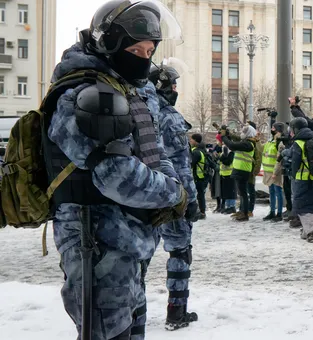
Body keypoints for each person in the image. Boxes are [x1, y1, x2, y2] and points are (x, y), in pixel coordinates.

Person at [46, 1, 188, 338]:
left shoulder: (128, 91)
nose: (144, 56)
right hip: (95, 245)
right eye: (135, 48)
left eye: (149, 49)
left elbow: (153, 149)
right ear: (108, 44)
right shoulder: (84, 95)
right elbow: (116, 176)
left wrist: (171, 183)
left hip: (130, 243)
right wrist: (174, 192)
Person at [147, 63, 200, 330]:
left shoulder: (138, 108)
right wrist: (190, 201)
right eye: (173, 85)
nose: (176, 90)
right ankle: (176, 312)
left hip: (140, 193)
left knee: (138, 256)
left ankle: (133, 315)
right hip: (170, 197)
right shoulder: (168, 116)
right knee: (180, 251)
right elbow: (180, 164)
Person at [290, 117, 313, 242]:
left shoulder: (298, 143)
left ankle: (311, 228)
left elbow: (295, 163)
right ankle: (306, 232)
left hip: (304, 178)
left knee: (301, 205)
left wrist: (293, 174)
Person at [221, 124, 257, 221]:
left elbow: (232, 145)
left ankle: (245, 213)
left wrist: (224, 137)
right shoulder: (245, 143)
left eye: (244, 131)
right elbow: (233, 143)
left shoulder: (248, 144)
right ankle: (242, 211)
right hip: (240, 169)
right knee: (241, 193)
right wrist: (227, 134)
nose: (242, 133)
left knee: (243, 193)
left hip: (243, 170)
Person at [261, 122, 286, 222]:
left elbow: (279, 159)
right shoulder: (271, 141)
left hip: (275, 172)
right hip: (268, 171)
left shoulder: (279, 142)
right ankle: (272, 212)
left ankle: (279, 213)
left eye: (273, 127)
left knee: (278, 192)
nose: (271, 129)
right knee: (271, 192)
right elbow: (262, 150)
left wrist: (275, 172)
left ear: (277, 129)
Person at [190, 133, 208, 220]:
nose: (190, 141)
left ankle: (201, 212)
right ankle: (202, 211)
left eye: (192, 139)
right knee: (200, 195)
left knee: (199, 196)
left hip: (197, 177)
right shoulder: (199, 151)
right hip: (200, 177)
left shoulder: (196, 152)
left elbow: (191, 164)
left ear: (195, 141)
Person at [218, 134, 237, 214]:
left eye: (224, 144)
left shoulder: (231, 153)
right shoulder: (224, 152)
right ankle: (227, 206)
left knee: (231, 191)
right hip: (224, 174)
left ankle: (232, 206)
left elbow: (228, 162)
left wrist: (221, 159)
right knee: (226, 192)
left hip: (230, 174)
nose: (223, 145)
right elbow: (221, 159)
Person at [247, 121, 263, 217]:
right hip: (246, 168)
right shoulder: (247, 139)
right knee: (245, 191)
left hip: (251, 170)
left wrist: (255, 171)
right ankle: (244, 208)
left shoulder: (256, 141)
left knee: (251, 190)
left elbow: (258, 157)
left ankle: (250, 210)